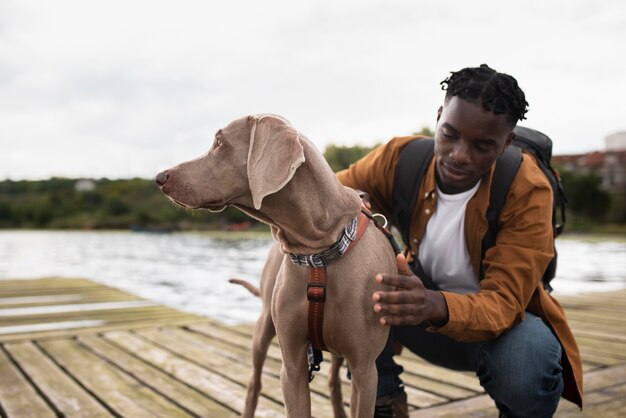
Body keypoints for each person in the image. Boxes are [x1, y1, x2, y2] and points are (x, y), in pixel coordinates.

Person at [336, 64, 583, 418]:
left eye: (483, 145)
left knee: (527, 366)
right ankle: (384, 400)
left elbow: (503, 303)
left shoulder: (527, 188)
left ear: (507, 143)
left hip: (498, 331)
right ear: (438, 117)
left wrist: (434, 304)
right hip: (417, 315)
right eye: (449, 134)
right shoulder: (400, 158)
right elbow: (326, 192)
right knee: (359, 280)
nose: (459, 154)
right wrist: (351, 197)